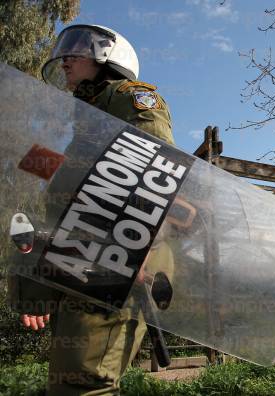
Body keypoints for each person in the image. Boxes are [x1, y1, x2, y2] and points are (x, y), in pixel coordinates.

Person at [8, 24, 174, 395]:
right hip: (87, 255)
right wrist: (36, 288)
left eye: (77, 48)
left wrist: (140, 246)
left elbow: (158, 172)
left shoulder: (129, 97)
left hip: (123, 250)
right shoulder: (80, 127)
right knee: (72, 380)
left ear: (109, 57)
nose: (64, 58)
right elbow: (57, 209)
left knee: (83, 382)